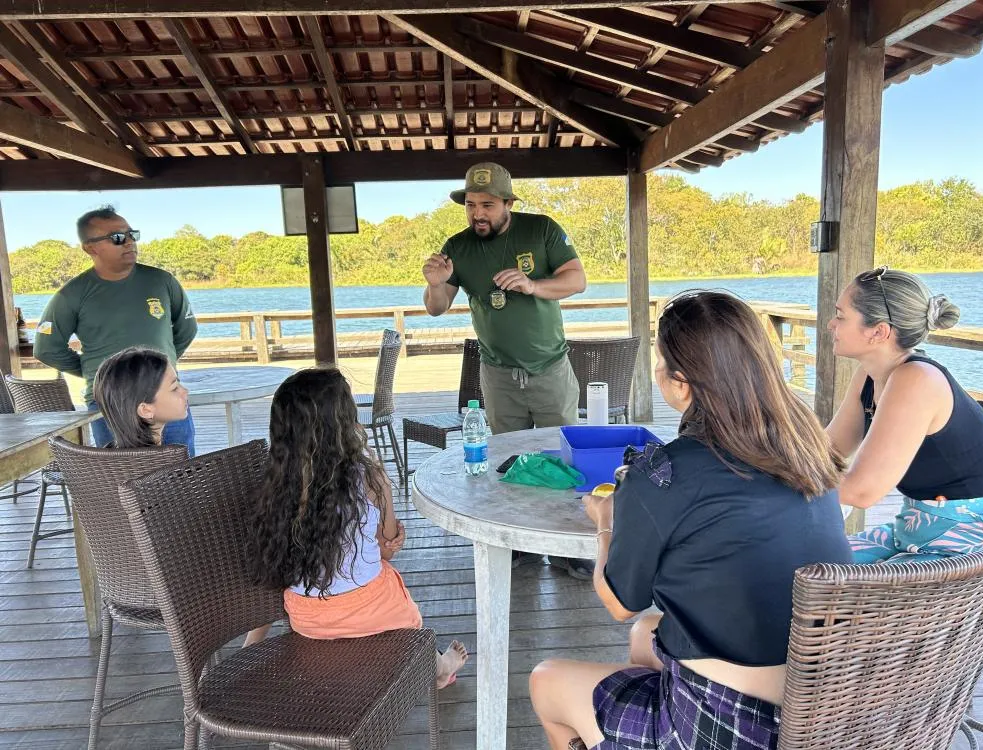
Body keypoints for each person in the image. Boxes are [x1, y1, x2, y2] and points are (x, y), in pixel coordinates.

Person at [530, 291, 852, 750]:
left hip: (732, 728)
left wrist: (606, 521)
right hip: (821, 703)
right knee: (645, 635)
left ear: (681, 383)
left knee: (546, 680)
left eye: (660, 362)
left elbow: (620, 603)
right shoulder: (808, 449)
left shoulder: (662, 474)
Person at [246, 367, 468, 688]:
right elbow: (386, 552)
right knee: (389, 583)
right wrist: (385, 494)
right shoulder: (367, 477)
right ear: (344, 423)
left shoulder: (275, 485)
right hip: (373, 616)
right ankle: (439, 666)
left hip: (308, 621)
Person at [421, 162, 590, 578]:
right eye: (471, 205)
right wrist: (436, 283)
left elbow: (576, 280)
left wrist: (533, 286)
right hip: (497, 373)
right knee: (507, 461)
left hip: (549, 367)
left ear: (508, 203)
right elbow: (436, 308)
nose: (478, 214)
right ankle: (519, 546)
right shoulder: (458, 246)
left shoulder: (541, 230)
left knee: (564, 459)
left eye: (488, 205)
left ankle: (566, 548)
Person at [826, 267, 983, 563]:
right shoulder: (868, 376)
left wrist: (771, 491)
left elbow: (861, 491)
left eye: (841, 316)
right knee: (799, 561)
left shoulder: (917, 379)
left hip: (970, 539)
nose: (831, 324)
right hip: (915, 528)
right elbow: (828, 450)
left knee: (819, 577)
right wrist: (761, 467)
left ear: (879, 331)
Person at [32, 206, 198, 456]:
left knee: (183, 469)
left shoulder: (162, 281)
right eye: (118, 237)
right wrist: (110, 374)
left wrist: (158, 370)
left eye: (132, 234)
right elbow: (47, 349)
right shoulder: (72, 295)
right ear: (90, 248)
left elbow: (186, 330)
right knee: (117, 473)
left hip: (165, 397)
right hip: (110, 402)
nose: (129, 242)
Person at [92, 347, 191, 449]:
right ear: (145, 410)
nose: (185, 391)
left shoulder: (106, 454)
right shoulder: (169, 458)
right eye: (174, 388)